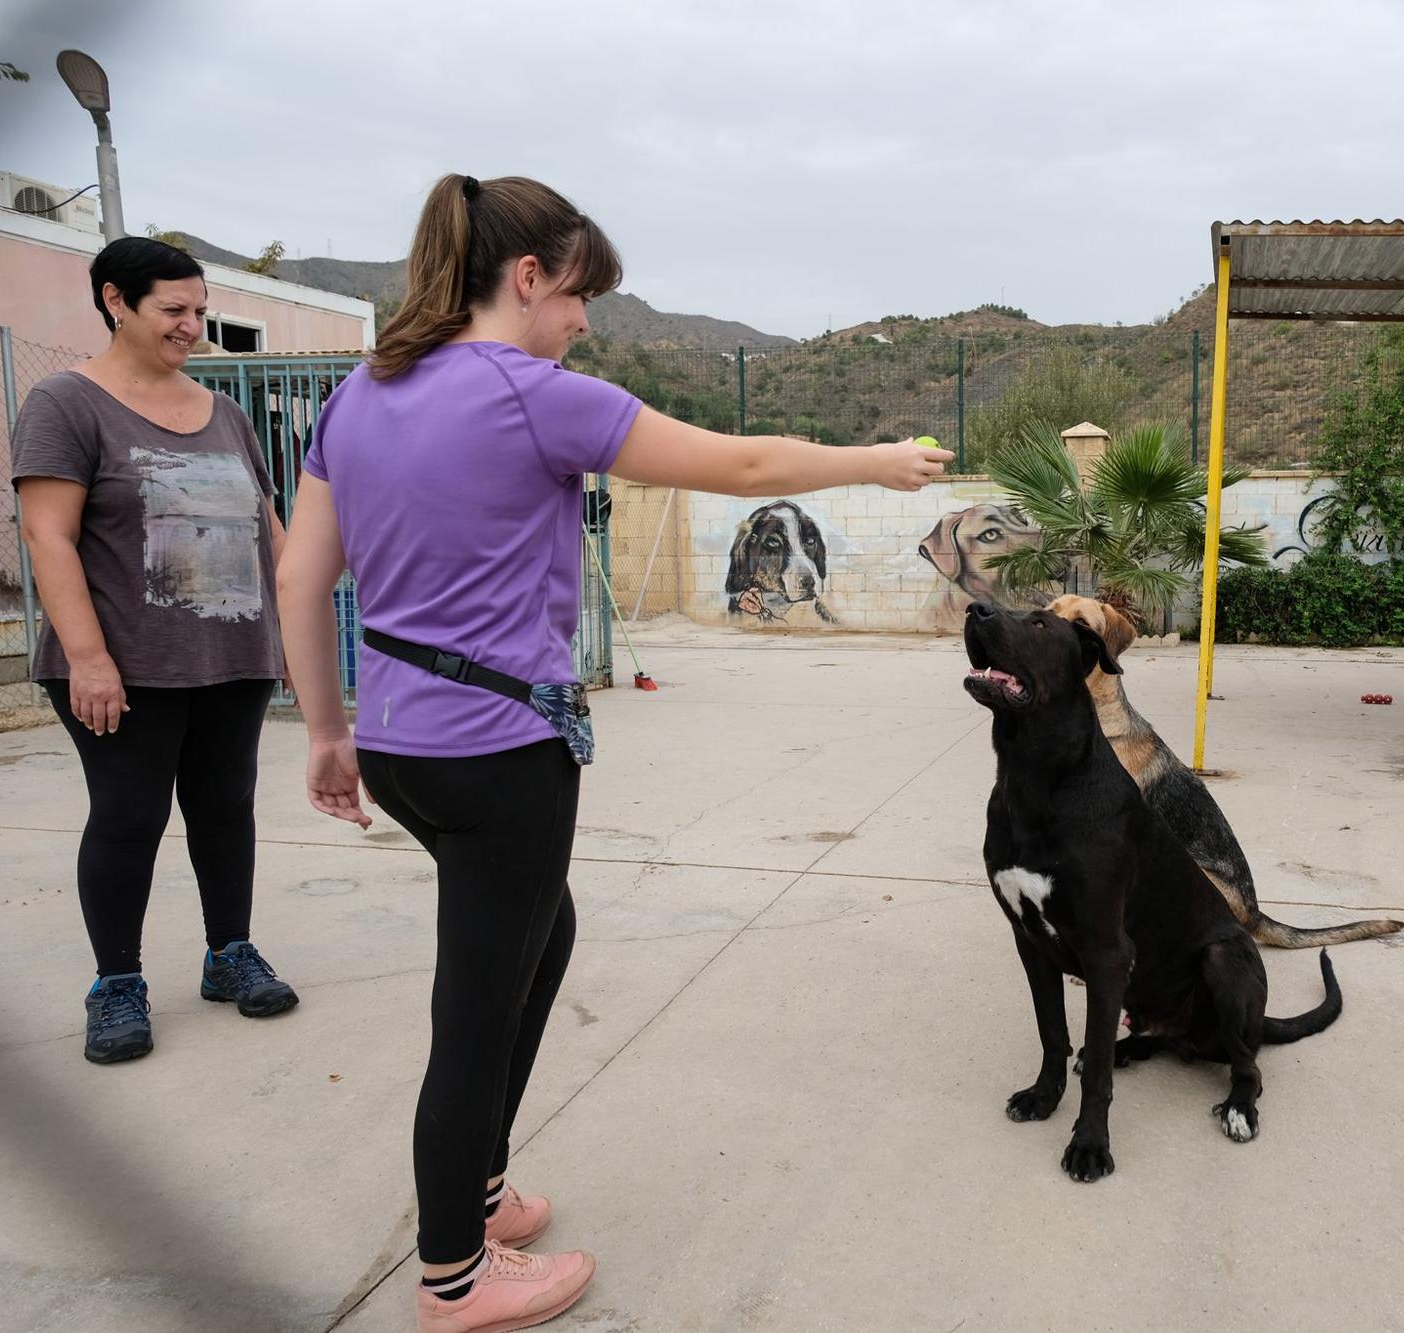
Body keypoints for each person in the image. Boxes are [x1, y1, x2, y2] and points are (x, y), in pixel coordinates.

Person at [276, 173, 950, 1332]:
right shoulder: (535, 395)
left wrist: (328, 730)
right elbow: (737, 466)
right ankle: (453, 1277)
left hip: (399, 743)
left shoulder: (357, 395)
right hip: (499, 752)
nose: (583, 321)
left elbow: (300, 575)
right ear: (527, 278)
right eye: (579, 293)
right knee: (475, 1008)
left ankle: (478, 1190)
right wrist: (872, 458)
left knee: (544, 935)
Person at [12, 236, 298, 1068]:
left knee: (225, 806)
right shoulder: (66, 403)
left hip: (231, 656)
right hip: (125, 663)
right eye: (174, 310)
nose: (192, 326)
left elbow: (269, 535)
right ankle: (117, 983)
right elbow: (49, 536)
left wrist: (292, 635)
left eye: (200, 310)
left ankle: (229, 953)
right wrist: (89, 658)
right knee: (129, 816)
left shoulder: (225, 414)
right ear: (115, 300)